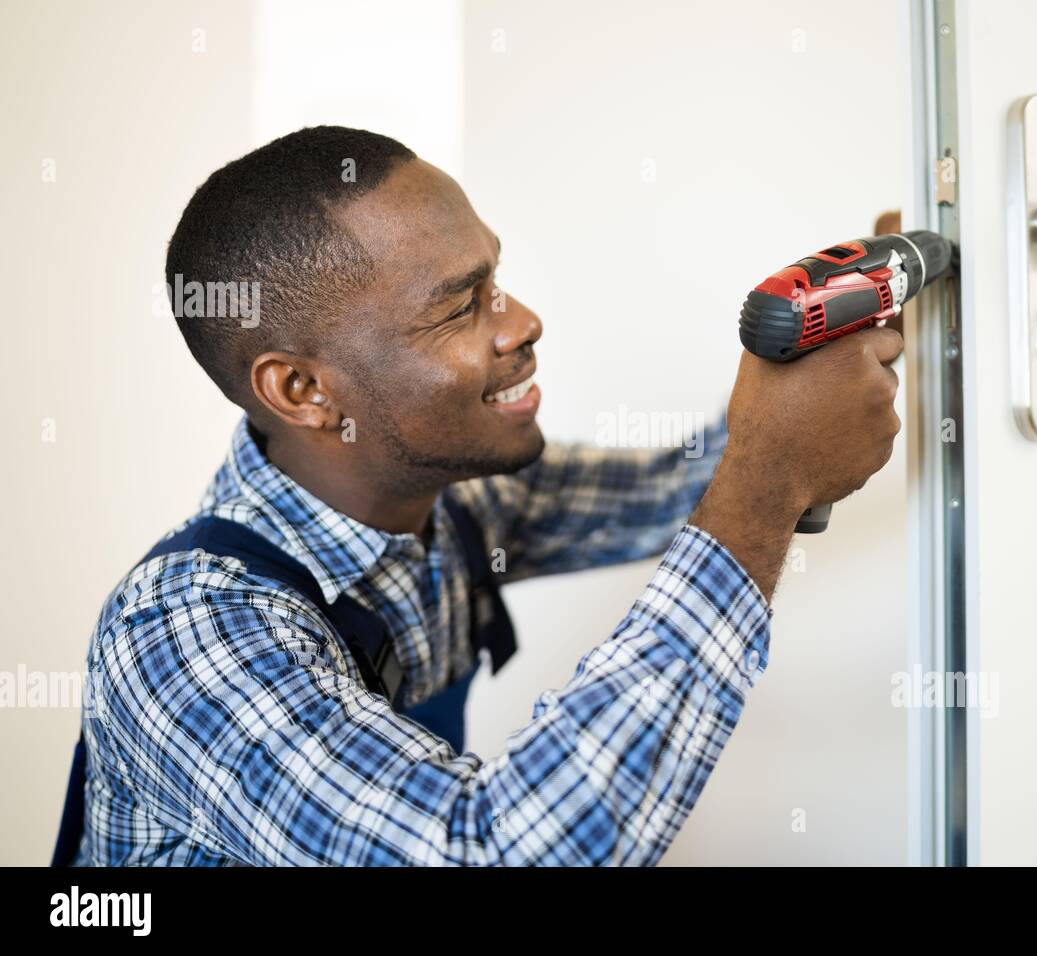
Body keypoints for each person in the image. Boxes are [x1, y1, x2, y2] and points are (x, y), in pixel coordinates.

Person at [65, 126, 903, 866]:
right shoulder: (185, 631)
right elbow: (488, 849)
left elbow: (673, 491)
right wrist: (768, 485)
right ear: (301, 389)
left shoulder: (455, 504)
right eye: (462, 307)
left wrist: (823, 356)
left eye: (496, 277)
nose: (522, 322)